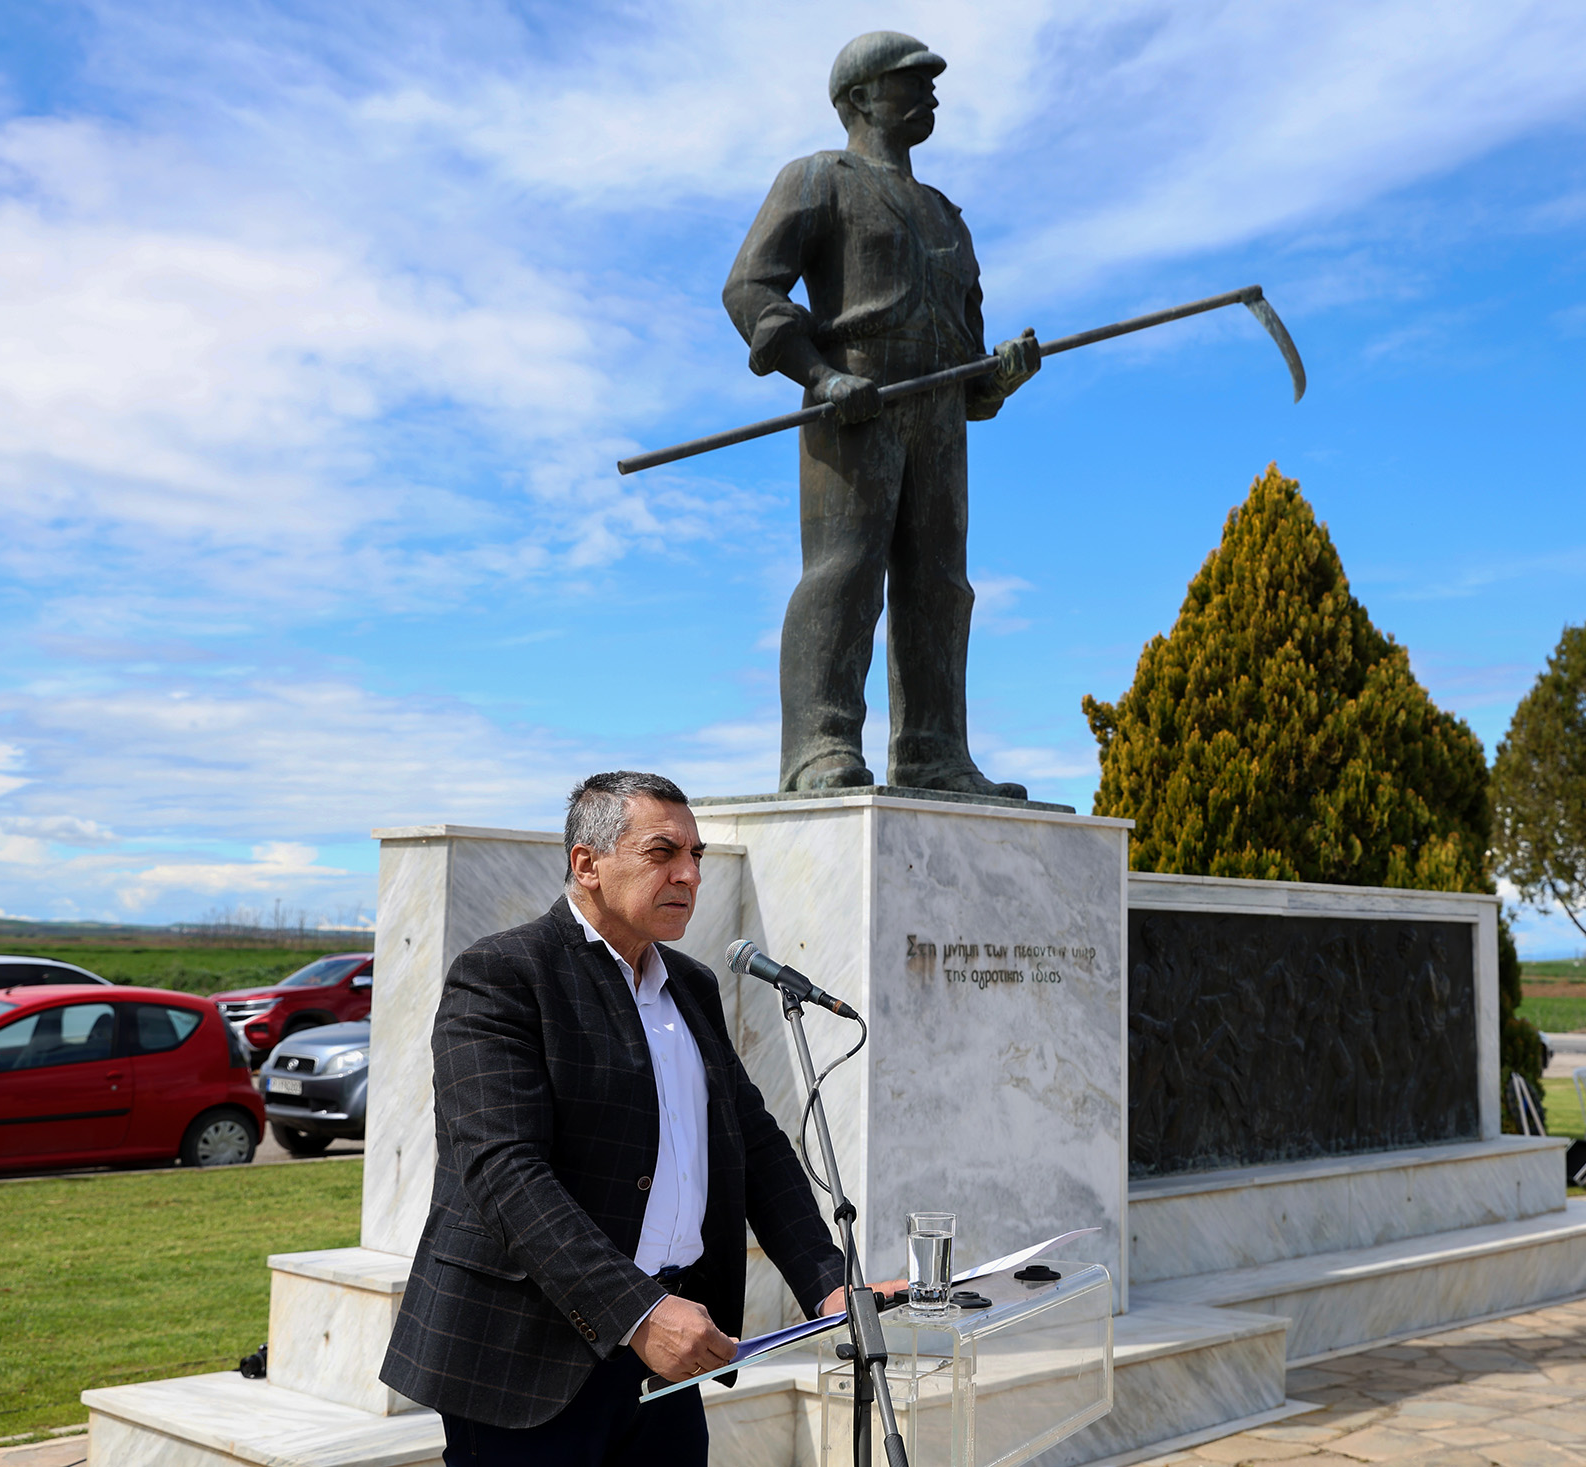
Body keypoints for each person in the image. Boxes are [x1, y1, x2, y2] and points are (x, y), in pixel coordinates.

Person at [381, 771, 888, 1466]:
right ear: (586, 864)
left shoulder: (693, 985)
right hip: (525, 1359)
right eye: (662, 852)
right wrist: (638, 1310)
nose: (688, 873)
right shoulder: (503, 974)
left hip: (665, 1358)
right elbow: (503, 1171)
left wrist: (828, 1284)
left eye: (697, 855)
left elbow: (755, 1147)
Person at [724, 31, 1043, 797]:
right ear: (858, 97)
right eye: (910, 81)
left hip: (938, 411)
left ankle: (935, 753)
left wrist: (998, 375)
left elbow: (972, 375)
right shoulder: (816, 180)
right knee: (845, 571)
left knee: (942, 584)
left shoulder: (945, 216)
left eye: (929, 81)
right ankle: (818, 748)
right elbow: (750, 289)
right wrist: (821, 376)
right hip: (855, 399)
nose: (929, 93)